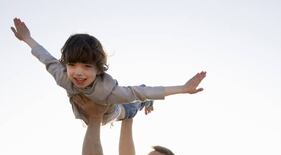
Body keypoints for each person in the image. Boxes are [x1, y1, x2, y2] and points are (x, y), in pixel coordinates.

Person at [11, 18, 206, 124]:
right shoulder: (62, 75)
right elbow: (45, 57)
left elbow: (140, 92)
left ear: (98, 69)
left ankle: (146, 104)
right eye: (73, 65)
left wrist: (182, 88)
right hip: (86, 112)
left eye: (87, 67)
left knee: (134, 104)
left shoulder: (109, 90)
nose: (78, 73)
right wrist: (27, 38)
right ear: (66, 65)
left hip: (114, 112)